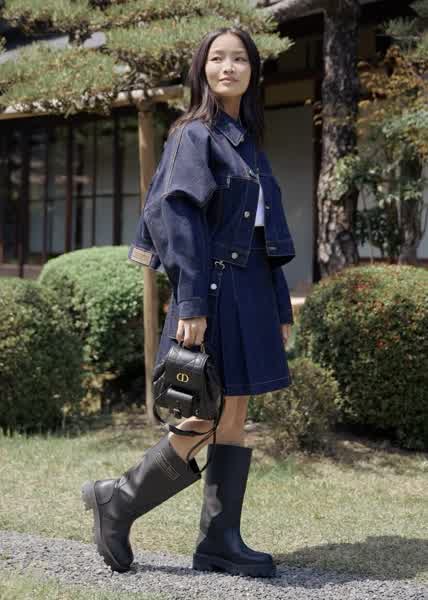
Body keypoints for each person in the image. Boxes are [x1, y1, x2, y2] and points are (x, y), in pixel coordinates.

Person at [82, 26, 296, 579]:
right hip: (214, 293)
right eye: (218, 58)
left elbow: (265, 237)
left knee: (236, 413)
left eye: (240, 59)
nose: (229, 67)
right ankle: (119, 500)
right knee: (206, 412)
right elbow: (176, 220)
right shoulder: (192, 135)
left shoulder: (248, 144)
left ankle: (220, 542)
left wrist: (279, 308)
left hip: (250, 294)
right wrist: (192, 303)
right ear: (202, 69)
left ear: (253, 71)